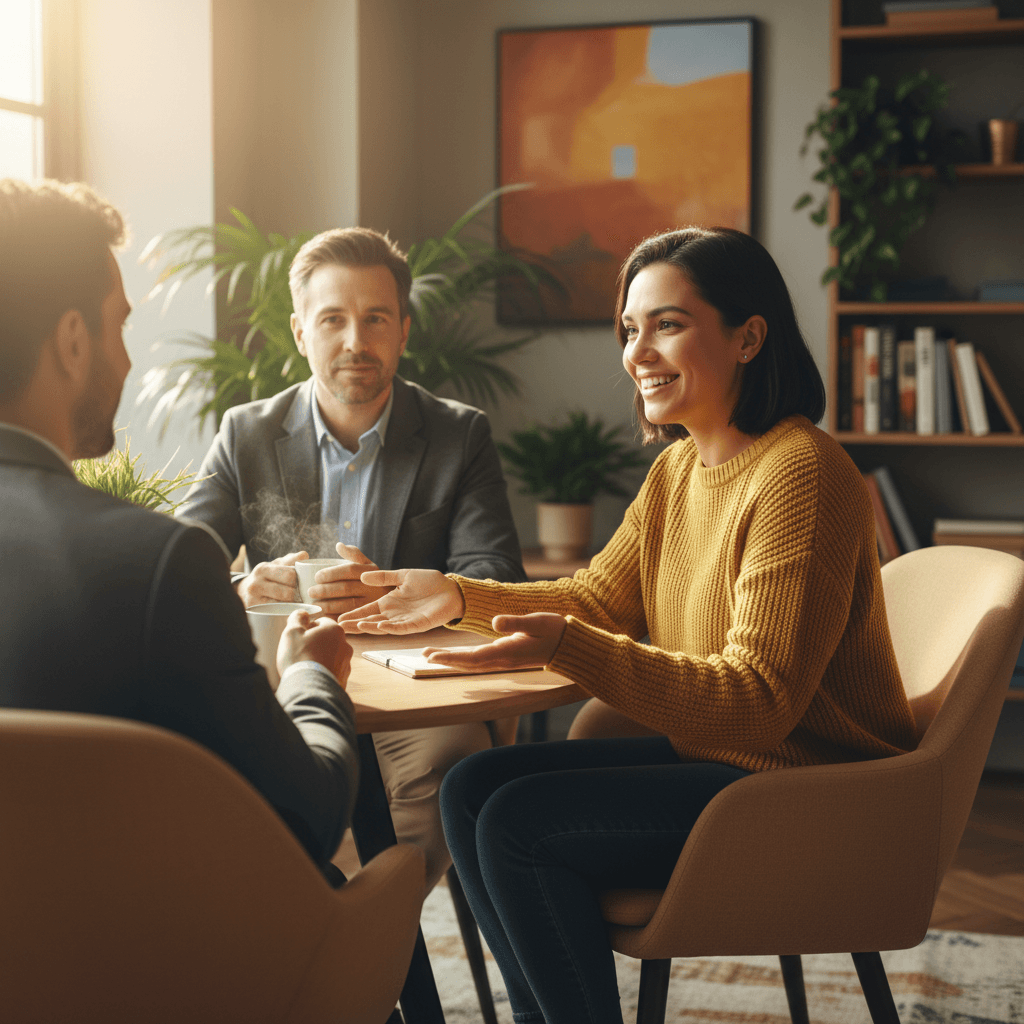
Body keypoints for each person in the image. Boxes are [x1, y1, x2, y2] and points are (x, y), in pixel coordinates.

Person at [337, 227, 920, 1024]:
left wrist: (574, 650)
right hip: (728, 769)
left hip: (805, 792)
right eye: (630, 329)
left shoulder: (800, 473)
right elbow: (594, 599)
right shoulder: (680, 468)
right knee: (471, 788)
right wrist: (454, 596)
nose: (637, 352)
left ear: (750, 337)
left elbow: (762, 701)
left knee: (517, 823)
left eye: (667, 325)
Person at [0, 178, 359, 879]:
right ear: (73, 342)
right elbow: (308, 819)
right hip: (144, 967)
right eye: (121, 324)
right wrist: (313, 676)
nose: (129, 358)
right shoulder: (155, 561)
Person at [178, 225, 526, 889]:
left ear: (404, 329)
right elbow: (182, 564)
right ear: (300, 331)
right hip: (283, 686)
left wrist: (405, 592)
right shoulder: (245, 433)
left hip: (414, 693)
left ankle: (351, 934)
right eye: (332, 319)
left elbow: (496, 578)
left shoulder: (458, 435)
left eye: (375, 319)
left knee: (456, 763)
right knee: (211, 777)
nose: (355, 343)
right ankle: (332, 939)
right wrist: (248, 584)